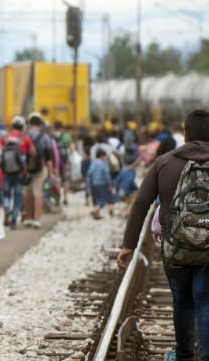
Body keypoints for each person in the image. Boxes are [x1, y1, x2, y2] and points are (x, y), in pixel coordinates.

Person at [117, 109, 209, 361]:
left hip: (176, 246)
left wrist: (129, 245)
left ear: (186, 134)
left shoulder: (165, 161)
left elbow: (141, 203)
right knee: (205, 299)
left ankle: (183, 355)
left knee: (183, 301)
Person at [0, 116, 31, 229]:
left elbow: (0, 154)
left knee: (6, 194)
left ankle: (7, 208)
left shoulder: (5, 137)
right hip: (20, 171)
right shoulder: (24, 138)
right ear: (22, 126)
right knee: (17, 196)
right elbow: (32, 152)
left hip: (6, 172)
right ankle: (14, 219)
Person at [23, 113, 55, 228]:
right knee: (38, 193)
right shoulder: (45, 137)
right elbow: (49, 157)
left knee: (26, 192)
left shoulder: (24, 135)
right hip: (40, 168)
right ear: (40, 124)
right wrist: (51, 172)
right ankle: (37, 220)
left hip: (26, 168)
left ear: (30, 124)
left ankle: (28, 218)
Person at [86, 149, 113, 219]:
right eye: (105, 156)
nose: (105, 157)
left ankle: (97, 215)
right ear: (101, 156)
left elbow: (89, 175)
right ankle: (94, 211)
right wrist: (110, 184)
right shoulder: (104, 164)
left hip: (94, 184)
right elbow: (107, 174)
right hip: (103, 184)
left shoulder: (93, 163)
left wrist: (88, 186)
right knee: (103, 199)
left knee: (96, 200)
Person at [52, 120, 73, 206]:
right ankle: (65, 198)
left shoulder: (51, 137)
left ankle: (57, 199)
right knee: (66, 181)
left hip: (54, 163)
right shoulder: (67, 137)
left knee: (56, 181)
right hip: (65, 162)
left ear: (54, 128)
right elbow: (72, 149)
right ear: (62, 128)